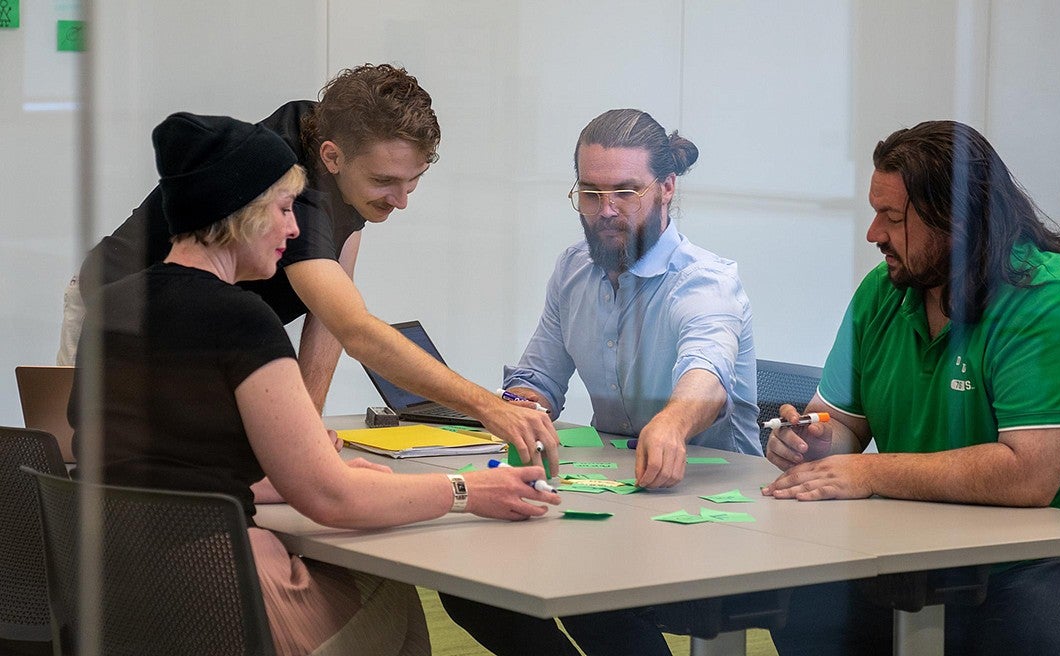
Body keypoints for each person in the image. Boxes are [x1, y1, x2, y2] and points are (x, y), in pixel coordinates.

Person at [68, 113, 561, 656]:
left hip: (123, 601)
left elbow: (150, 471)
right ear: (243, 213)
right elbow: (333, 500)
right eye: (283, 210)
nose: (295, 229)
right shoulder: (241, 320)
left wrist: (292, 474)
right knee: (394, 590)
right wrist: (468, 490)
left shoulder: (112, 311)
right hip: (222, 596)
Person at [762, 120, 1060, 655]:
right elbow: (843, 426)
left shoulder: (1053, 300)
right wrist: (808, 443)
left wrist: (868, 470)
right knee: (805, 601)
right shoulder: (885, 291)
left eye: (892, 218)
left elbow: (1029, 474)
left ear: (958, 221)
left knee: (1034, 632)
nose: (873, 234)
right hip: (921, 544)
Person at [61, 63, 558, 470]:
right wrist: (488, 407)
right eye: (387, 181)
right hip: (114, 317)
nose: (401, 201)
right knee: (95, 489)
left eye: (414, 181)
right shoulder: (295, 184)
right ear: (332, 157)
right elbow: (356, 328)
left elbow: (331, 313)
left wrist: (306, 431)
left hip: (200, 343)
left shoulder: (337, 146)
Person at [440, 108, 761, 656]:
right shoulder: (573, 270)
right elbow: (538, 375)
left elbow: (707, 378)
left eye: (624, 192)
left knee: (588, 589)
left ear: (666, 189)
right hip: (613, 499)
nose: (604, 211)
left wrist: (671, 423)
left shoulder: (706, 281)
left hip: (713, 511)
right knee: (471, 585)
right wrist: (520, 406)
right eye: (589, 193)